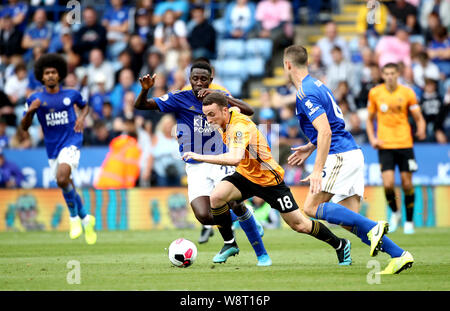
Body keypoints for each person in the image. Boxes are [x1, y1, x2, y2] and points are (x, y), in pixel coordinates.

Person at [283, 45, 414, 274]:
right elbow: (329, 126)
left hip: (339, 155)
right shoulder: (318, 85)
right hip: (351, 152)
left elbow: (326, 132)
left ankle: (374, 226)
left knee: (312, 207)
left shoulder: (305, 92)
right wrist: (310, 146)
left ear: (287, 65)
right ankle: (399, 255)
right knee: (349, 221)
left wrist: (317, 169)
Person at [182, 92, 352, 267]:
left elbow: (234, 158)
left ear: (225, 111)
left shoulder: (239, 127)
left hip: (268, 179)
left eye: (212, 114)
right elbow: (241, 109)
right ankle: (230, 243)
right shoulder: (227, 116)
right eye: (206, 115)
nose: (208, 120)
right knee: (216, 197)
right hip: (246, 175)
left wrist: (199, 156)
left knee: (299, 225)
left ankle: (340, 244)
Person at [134, 61, 268, 265]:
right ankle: (246, 218)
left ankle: (261, 255)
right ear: (190, 79)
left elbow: (248, 110)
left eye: (203, 79)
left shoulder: (218, 97)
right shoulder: (179, 98)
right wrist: (145, 91)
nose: (199, 82)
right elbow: (141, 105)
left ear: (210, 80)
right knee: (204, 216)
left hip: (222, 159)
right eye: (195, 78)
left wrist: (226, 98)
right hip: (195, 164)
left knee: (231, 201)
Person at [20, 53, 97, 245]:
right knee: (65, 183)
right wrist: (31, 111)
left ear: (59, 74)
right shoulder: (34, 99)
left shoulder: (71, 94)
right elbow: (24, 127)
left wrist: (81, 117)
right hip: (52, 147)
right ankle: (86, 219)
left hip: (72, 141)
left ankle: (73, 220)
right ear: (41, 76)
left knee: (63, 178)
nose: (51, 76)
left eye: (54, 72)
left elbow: (85, 106)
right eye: (47, 73)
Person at [366, 62, 426, 234]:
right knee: (388, 184)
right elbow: (369, 119)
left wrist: (421, 128)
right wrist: (373, 138)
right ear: (383, 75)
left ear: (397, 74)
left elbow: (418, 116)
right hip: (385, 145)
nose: (390, 76)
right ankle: (395, 212)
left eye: (393, 73)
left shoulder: (407, 93)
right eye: (387, 73)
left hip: (405, 143)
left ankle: (408, 221)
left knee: (407, 184)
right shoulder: (375, 93)